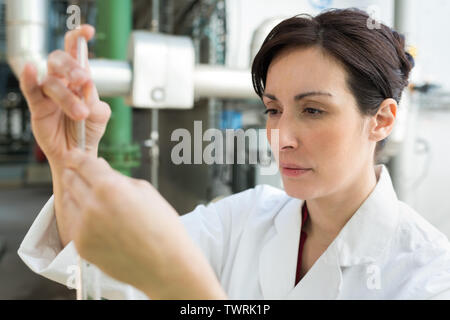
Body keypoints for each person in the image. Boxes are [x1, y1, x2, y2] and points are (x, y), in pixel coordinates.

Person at [17, 8, 450, 300]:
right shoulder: (244, 218)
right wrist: (72, 155)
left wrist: (187, 288)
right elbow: (98, 266)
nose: (282, 137)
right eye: (274, 110)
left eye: (313, 110)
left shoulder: (427, 275)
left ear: (382, 119)